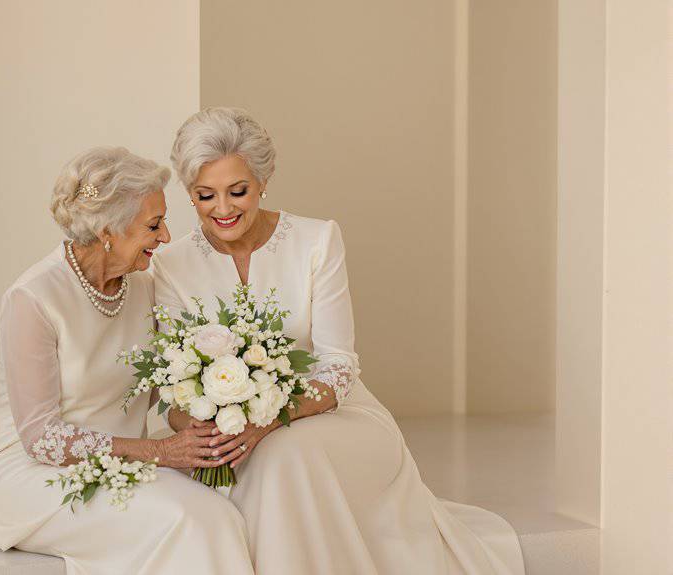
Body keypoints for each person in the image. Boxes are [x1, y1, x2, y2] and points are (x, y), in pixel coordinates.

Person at [153, 108, 525, 574]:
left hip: (333, 414)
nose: (223, 209)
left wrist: (265, 422)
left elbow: (338, 365)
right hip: (225, 437)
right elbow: (173, 388)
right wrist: (207, 428)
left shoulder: (317, 240)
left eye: (238, 191)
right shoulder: (170, 263)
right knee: (269, 462)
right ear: (189, 193)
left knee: (283, 456)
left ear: (263, 182)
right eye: (206, 195)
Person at [0, 146, 254, 575]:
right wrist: (161, 452)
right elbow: (42, 439)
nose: (166, 237)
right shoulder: (33, 299)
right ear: (108, 231)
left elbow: (161, 388)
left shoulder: (141, 286)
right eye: (153, 225)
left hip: (125, 465)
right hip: (32, 476)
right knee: (191, 520)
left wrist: (194, 425)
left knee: (226, 510)